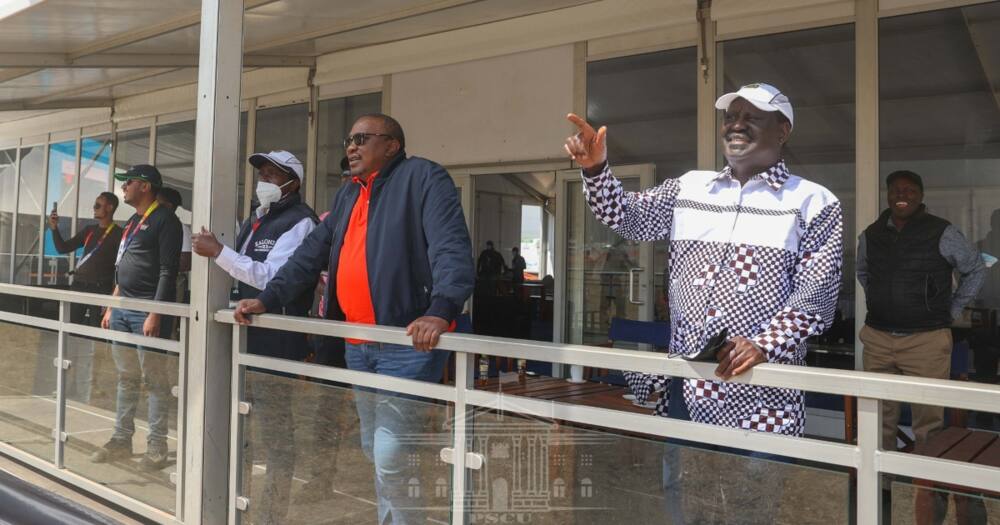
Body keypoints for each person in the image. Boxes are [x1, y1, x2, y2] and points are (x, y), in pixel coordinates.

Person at [566, 83, 843, 522]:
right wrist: (597, 170)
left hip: (763, 392)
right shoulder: (690, 188)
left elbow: (818, 292)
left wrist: (763, 343)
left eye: (751, 117)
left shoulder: (812, 201)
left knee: (752, 503)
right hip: (689, 386)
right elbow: (629, 218)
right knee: (684, 495)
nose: (735, 124)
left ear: (783, 130)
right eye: (730, 116)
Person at [233, 113, 474, 524]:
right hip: (358, 345)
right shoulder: (348, 194)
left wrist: (440, 309)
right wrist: (269, 298)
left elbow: (450, 247)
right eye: (350, 138)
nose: (351, 147)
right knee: (374, 450)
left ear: (392, 145)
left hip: (406, 343)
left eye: (362, 139)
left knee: (390, 455)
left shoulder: (423, 178)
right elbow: (310, 254)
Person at [191, 150, 317, 523]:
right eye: (261, 174)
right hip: (243, 336)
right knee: (239, 426)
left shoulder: (301, 222)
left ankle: (272, 513)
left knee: (276, 434)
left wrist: (218, 252)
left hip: (277, 339)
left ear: (292, 182)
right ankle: (236, 502)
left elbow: (270, 279)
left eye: (272, 175)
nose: (263, 181)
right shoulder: (257, 220)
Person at [858, 170, 986, 450]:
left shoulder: (942, 231)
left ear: (921, 196)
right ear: (888, 195)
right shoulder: (871, 234)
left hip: (926, 340)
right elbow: (863, 272)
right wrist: (881, 300)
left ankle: (924, 492)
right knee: (878, 418)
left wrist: (952, 310)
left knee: (928, 422)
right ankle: (882, 489)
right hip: (878, 338)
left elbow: (975, 269)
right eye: (895, 190)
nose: (902, 195)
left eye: (909, 190)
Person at [92, 165, 182, 472]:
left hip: (148, 310)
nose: (124, 187)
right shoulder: (133, 220)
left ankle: (157, 445)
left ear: (145, 186)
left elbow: (167, 272)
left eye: (128, 182)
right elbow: (123, 265)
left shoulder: (166, 220)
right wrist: (112, 304)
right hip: (124, 308)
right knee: (126, 377)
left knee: (155, 381)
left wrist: (155, 312)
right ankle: (121, 439)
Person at [48, 192, 123, 402]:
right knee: (70, 336)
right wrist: (53, 228)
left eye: (98, 204)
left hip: (100, 292)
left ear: (109, 208)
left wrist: (111, 298)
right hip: (79, 287)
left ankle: (89, 387)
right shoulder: (89, 231)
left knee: (94, 341)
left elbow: (120, 268)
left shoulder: (119, 234)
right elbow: (62, 248)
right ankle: (67, 386)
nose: (94, 207)